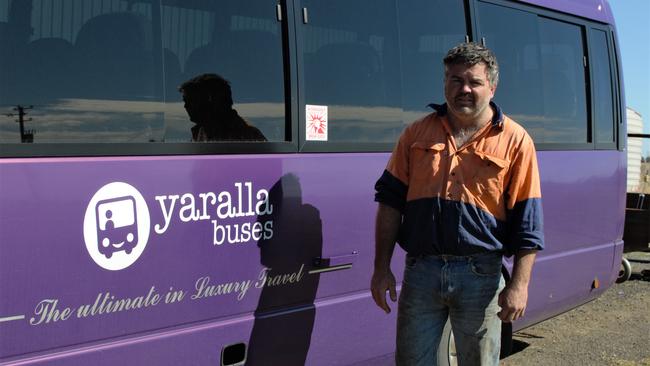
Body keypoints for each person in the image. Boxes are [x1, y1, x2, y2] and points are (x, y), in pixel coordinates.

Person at [371, 42, 544, 365]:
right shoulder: (415, 135)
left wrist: (519, 285)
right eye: (455, 80)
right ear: (444, 83)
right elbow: (390, 204)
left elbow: (528, 221)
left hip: (480, 274)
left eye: (474, 82)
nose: (464, 89)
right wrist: (381, 268)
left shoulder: (516, 141)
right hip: (421, 270)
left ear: (492, 86)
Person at [179, 73, 266, 142]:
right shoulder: (199, 134)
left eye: (190, 101)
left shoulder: (249, 138)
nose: (186, 106)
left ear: (210, 100)